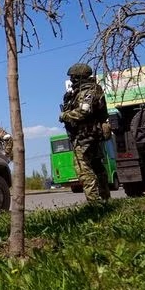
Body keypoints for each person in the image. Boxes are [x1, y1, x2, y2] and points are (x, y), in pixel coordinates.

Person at [59, 62, 110, 203]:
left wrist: (64, 116)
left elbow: (83, 112)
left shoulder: (88, 91)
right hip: (89, 135)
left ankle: (95, 202)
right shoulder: (89, 90)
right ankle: (104, 198)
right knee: (97, 167)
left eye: (73, 77)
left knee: (84, 169)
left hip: (86, 137)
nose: (72, 80)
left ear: (79, 77)